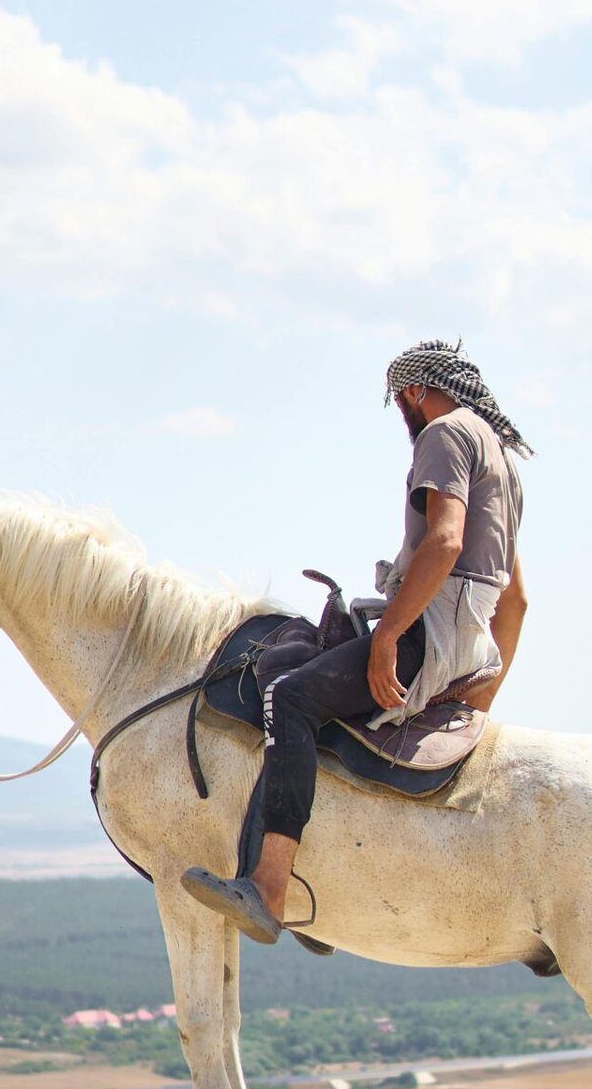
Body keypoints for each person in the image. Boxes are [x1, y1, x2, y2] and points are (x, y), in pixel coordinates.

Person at [181, 337, 531, 944]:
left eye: (402, 402)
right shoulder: (501, 460)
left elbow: (443, 543)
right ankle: (325, 887)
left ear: (417, 392)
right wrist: (480, 690)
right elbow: (517, 599)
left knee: (290, 697)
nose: (405, 415)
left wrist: (391, 635)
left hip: (429, 632)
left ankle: (268, 886)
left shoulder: (444, 436)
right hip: (472, 647)